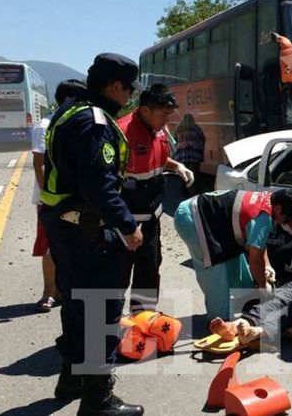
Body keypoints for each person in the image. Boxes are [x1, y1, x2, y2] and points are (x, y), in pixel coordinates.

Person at [39, 53, 144, 415]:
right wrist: (128, 226)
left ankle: (70, 378)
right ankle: (97, 399)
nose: (130, 97)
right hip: (87, 231)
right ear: (116, 87)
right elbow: (98, 185)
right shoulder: (95, 122)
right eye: (129, 89)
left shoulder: (68, 111)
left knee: (76, 303)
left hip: (64, 226)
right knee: (102, 310)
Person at [117, 84, 194, 313]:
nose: (166, 121)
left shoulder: (159, 130)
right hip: (123, 223)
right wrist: (126, 225)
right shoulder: (121, 133)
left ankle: (142, 322)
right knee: (116, 275)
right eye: (163, 115)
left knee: (149, 271)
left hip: (151, 220)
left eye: (169, 115)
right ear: (144, 110)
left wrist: (177, 166)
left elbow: (159, 157)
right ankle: (107, 330)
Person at [173, 189, 292, 320]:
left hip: (212, 219)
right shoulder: (263, 216)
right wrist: (263, 288)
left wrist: (267, 266)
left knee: (235, 262)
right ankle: (219, 320)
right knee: (215, 270)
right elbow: (255, 260)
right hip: (193, 218)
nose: (284, 224)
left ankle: (244, 304)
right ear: (278, 208)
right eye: (286, 219)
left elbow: (259, 243)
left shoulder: (268, 202)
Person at [32, 79, 86, 313]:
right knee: (50, 247)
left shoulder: (74, 123)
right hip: (51, 200)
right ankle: (49, 293)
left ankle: (65, 291)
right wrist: (50, 197)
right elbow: (39, 164)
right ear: (68, 99)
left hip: (73, 199)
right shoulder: (45, 125)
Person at [173, 113, 205, 196]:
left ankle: (185, 192)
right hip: (195, 153)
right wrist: (201, 148)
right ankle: (197, 192)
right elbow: (203, 138)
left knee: (184, 172)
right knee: (195, 172)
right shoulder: (196, 128)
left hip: (182, 154)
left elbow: (175, 140)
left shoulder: (179, 128)